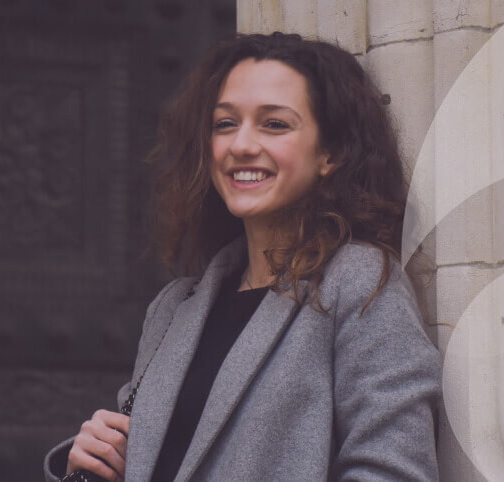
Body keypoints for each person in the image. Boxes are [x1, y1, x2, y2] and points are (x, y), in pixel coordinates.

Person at [43, 32, 441, 482]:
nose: (241, 145)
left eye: (274, 124)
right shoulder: (173, 309)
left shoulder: (360, 282)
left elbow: (393, 471)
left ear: (330, 153)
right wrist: (90, 464)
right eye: (225, 123)